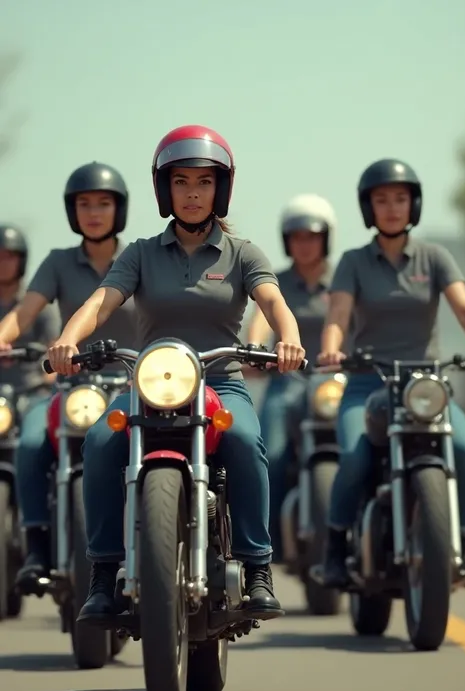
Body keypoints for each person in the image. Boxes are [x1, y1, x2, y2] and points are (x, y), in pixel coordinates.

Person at [46, 124, 306, 621]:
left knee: (248, 442)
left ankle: (257, 568)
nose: (192, 193)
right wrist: (67, 339)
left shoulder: (242, 253)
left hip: (220, 382)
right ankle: (102, 573)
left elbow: (274, 301)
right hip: (149, 384)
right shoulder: (141, 252)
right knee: (100, 442)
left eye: (204, 182)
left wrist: (288, 338)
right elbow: (102, 302)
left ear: (220, 189)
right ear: (165, 189)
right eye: (182, 182)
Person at [318, 158, 465, 587]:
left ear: (414, 204)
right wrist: (332, 350)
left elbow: (464, 309)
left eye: (400, 199)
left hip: (426, 386)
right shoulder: (353, 261)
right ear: (369, 208)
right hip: (369, 383)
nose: (391, 208)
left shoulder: (434, 257)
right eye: (381, 200)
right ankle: (335, 547)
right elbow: (338, 315)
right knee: (353, 458)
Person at [0, 163, 137, 592]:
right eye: (84, 204)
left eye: (103, 203)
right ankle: (37, 546)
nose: (94, 212)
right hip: (69, 388)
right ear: (71, 212)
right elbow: (24, 313)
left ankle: (162, 538)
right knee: (29, 443)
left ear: (120, 210)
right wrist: (3, 338)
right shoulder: (58, 263)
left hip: (131, 388)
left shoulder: (139, 257)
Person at [247, 194, 336, 560]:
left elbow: (357, 328)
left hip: (335, 385)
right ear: (287, 241)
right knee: (271, 451)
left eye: (312, 236)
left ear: (326, 238)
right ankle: (265, 547)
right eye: (297, 236)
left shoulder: (342, 283)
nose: (305, 243)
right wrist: (255, 349)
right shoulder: (275, 282)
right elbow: (258, 324)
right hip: (288, 383)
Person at [0, 224, 60, 390]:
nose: (3, 264)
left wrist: (49, 378)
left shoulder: (37, 304)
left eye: (9, 257)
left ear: (22, 260)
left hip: (32, 391)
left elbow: (55, 346)